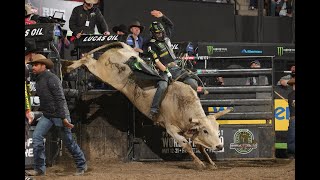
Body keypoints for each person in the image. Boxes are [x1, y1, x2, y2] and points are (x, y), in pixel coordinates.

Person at [26, 55, 87, 176]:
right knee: (37, 138)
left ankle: (81, 164)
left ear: (43, 66)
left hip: (59, 115)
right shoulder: (39, 79)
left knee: (68, 141)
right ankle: (39, 169)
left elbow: (60, 98)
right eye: (33, 65)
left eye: (36, 65)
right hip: (48, 115)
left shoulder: (52, 78)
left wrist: (64, 117)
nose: (33, 67)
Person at [145, 10, 198, 119]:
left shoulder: (166, 37)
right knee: (162, 86)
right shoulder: (151, 45)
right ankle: (154, 109)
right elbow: (157, 61)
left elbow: (170, 24)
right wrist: (167, 73)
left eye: (161, 32)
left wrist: (162, 16)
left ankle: (191, 107)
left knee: (193, 83)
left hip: (176, 67)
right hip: (163, 70)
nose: (160, 34)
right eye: (157, 33)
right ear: (153, 33)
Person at [286, 73, 295, 158]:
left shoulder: (291, 95)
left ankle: (291, 153)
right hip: (293, 117)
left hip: (293, 118)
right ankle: (291, 154)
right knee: (292, 136)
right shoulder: (291, 95)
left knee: (292, 135)